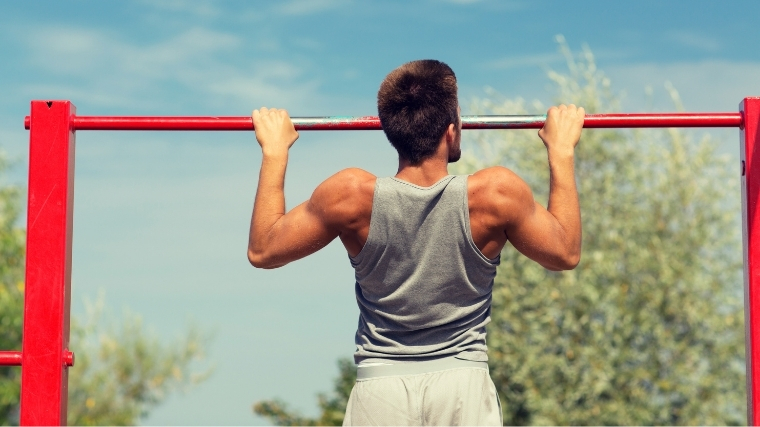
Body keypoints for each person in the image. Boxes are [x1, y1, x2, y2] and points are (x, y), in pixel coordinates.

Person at [248, 59, 584, 426]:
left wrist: (274, 152)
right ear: (451, 130)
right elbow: (564, 252)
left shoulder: (349, 195)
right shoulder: (495, 194)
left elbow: (263, 249)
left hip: (381, 389)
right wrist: (561, 152)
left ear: (392, 131)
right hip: (462, 388)